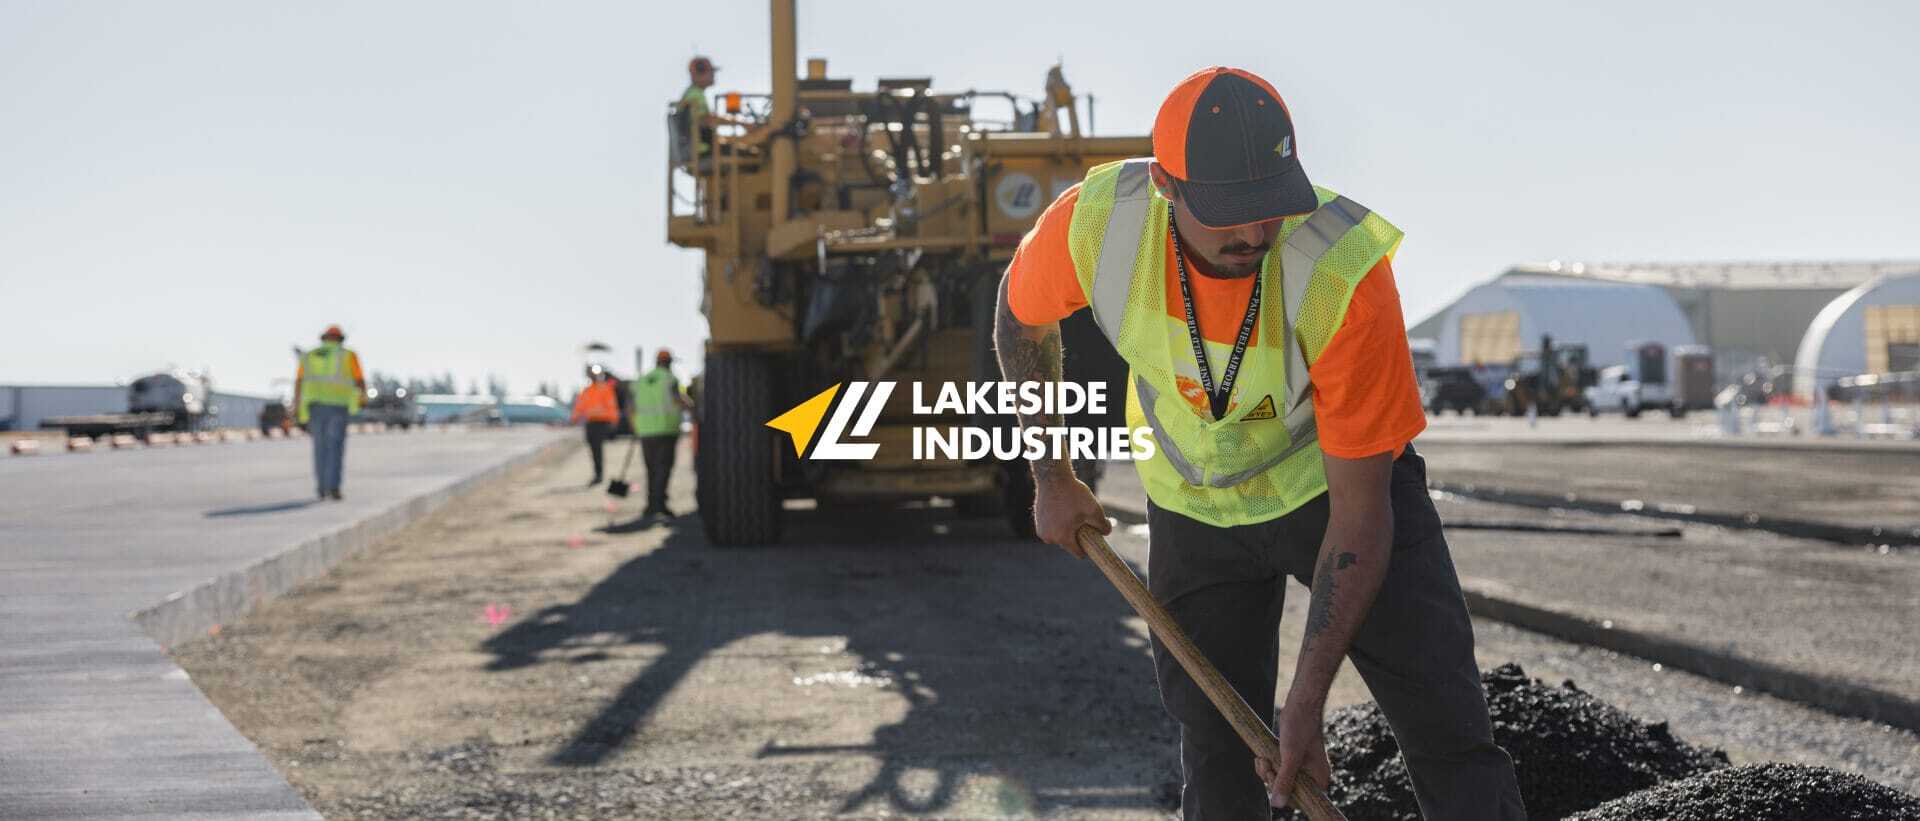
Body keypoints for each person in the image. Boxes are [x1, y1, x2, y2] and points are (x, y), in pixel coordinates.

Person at [993, 67, 1525, 820]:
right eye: (1228, 214)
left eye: (1268, 208)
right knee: (1214, 754)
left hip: (1335, 497)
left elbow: (1361, 519)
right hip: (1195, 507)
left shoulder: (1342, 271)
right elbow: (1020, 320)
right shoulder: (1098, 224)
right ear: (1165, 186)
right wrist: (1051, 474)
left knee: (1447, 726)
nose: (1253, 233)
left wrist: (1304, 706)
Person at [294, 325, 366, 501]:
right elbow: (359, 380)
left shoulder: (310, 356)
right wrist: (362, 399)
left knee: (320, 448)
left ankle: (321, 488)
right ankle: (334, 487)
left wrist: (297, 407)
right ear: (341, 339)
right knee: (335, 448)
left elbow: (299, 382)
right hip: (338, 407)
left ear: (324, 338)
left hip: (315, 407)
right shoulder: (348, 355)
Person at [629, 348, 694, 518]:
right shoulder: (670, 379)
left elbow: (630, 406)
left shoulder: (641, 380)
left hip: (645, 432)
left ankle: (651, 505)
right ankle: (660, 504)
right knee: (663, 468)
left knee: (651, 469)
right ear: (669, 363)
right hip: (666, 430)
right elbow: (679, 399)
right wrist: (693, 408)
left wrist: (635, 426)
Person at [675, 56, 749, 163]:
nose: (713, 76)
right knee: (750, 154)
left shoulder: (691, 94)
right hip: (703, 150)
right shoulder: (695, 95)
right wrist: (743, 124)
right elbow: (705, 120)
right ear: (699, 74)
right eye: (711, 72)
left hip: (696, 149)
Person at [569, 365, 621, 486]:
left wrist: (614, 421)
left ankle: (599, 475)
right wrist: (574, 419)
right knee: (593, 449)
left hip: (601, 423)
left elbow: (612, 406)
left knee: (597, 449)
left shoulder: (605, 389)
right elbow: (580, 407)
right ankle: (597, 473)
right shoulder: (587, 391)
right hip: (590, 423)